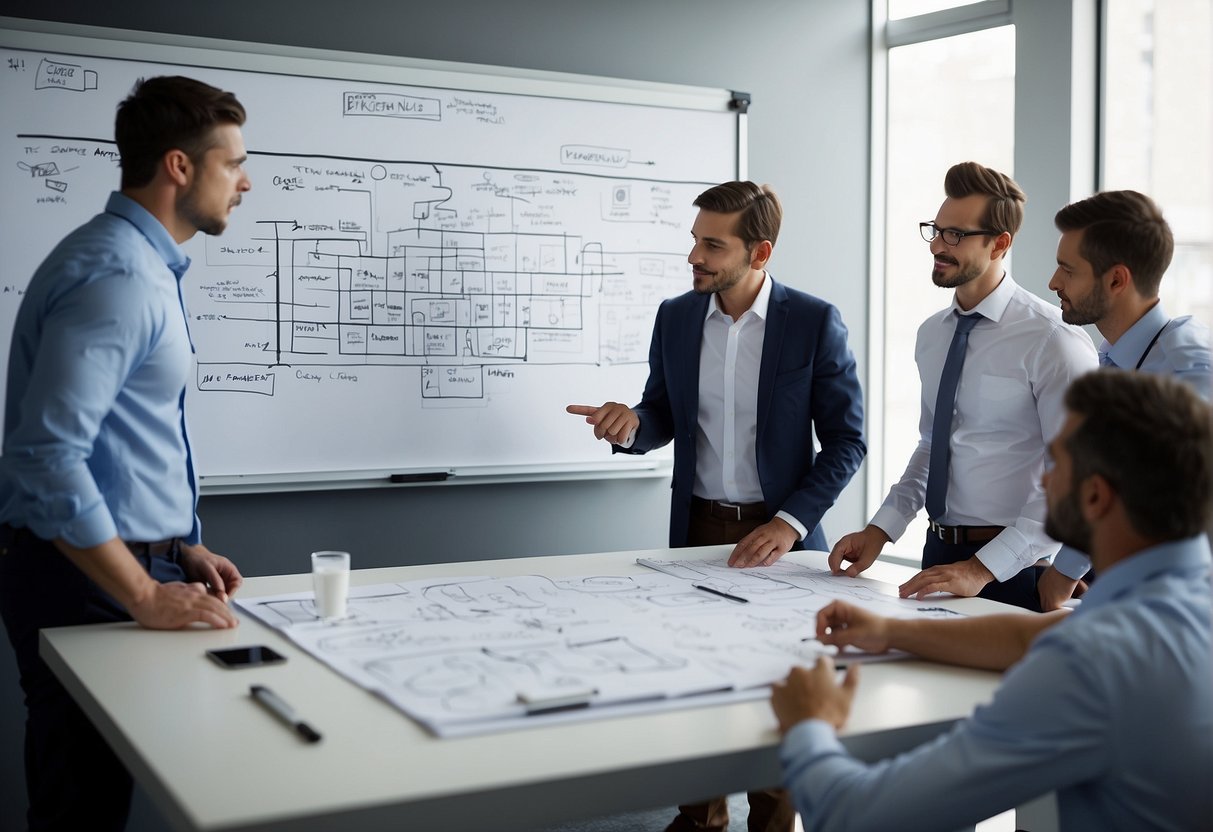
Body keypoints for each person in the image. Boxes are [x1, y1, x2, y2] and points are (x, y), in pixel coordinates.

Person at [772, 370, 1213, 832]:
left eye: (1055, 463)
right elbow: (1035, 634)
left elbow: (855, 816)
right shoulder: (1174, 601)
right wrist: (891, 631)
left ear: (1096, 496)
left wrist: (810, 724)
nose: (1043, 479)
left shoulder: (1095, 661)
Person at [567, 180, 865, 832]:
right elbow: (661, 415)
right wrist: (629, 428)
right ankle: (698, 818)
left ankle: (772, 821)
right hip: (697, 526)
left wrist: (790, 524)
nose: (693, 256)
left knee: (774, 686)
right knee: (694, 681)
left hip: (778, 537)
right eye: (694, 240)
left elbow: (847, 440)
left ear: (758, 252)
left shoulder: (813, 321)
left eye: (711, 244)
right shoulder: (675, 315)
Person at [0, 76, 252, 832]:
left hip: (130, 561)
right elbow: (46, 458)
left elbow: (121, 440)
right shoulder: (117, 275)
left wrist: (178, 546)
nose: (246, 181)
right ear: (179, 166)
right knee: (82, 805)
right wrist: (142, 590)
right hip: (87, 582)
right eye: (231, 162)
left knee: (99, 797)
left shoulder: (141, 266)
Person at [828, 162, 1097, 611]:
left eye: (955, 235)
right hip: (937, 555)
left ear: (1000, 243)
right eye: (935, 230)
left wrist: (982, 568)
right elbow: (933, 446)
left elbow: (1072, 481)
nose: (937, 244)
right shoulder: (932, 334)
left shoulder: (1054, 341)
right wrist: (880, 530)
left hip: (1013, 566)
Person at [1037, 189, 1211, 609]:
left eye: (1067, 269)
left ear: (1116, 279)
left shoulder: (1190, 373)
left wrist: (1065, 570)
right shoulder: (1109, 357)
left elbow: (1172, 503)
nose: (1053, 282)